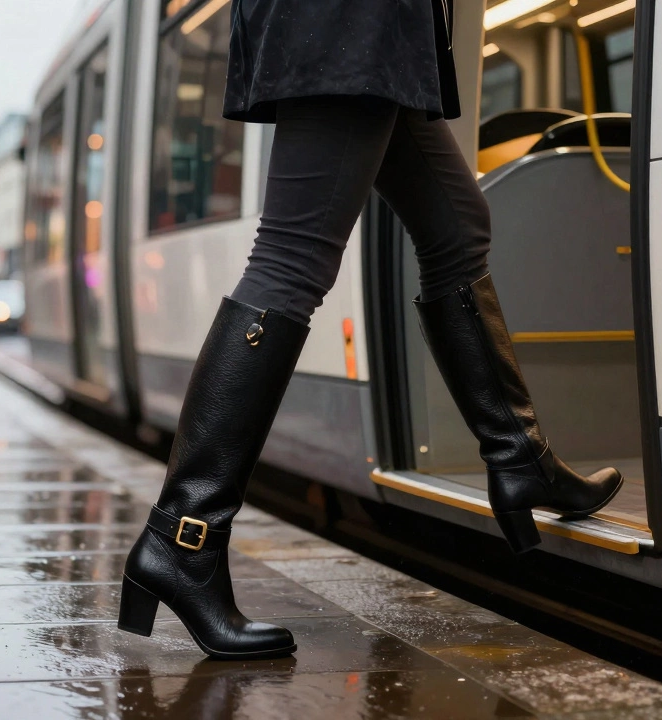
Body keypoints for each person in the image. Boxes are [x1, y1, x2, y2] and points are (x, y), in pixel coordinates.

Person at [119, 1, 623, 660]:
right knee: (291, 260)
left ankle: (520, 459)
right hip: (348, 20)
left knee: (456, 227)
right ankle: (183, 536)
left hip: (374, 27)